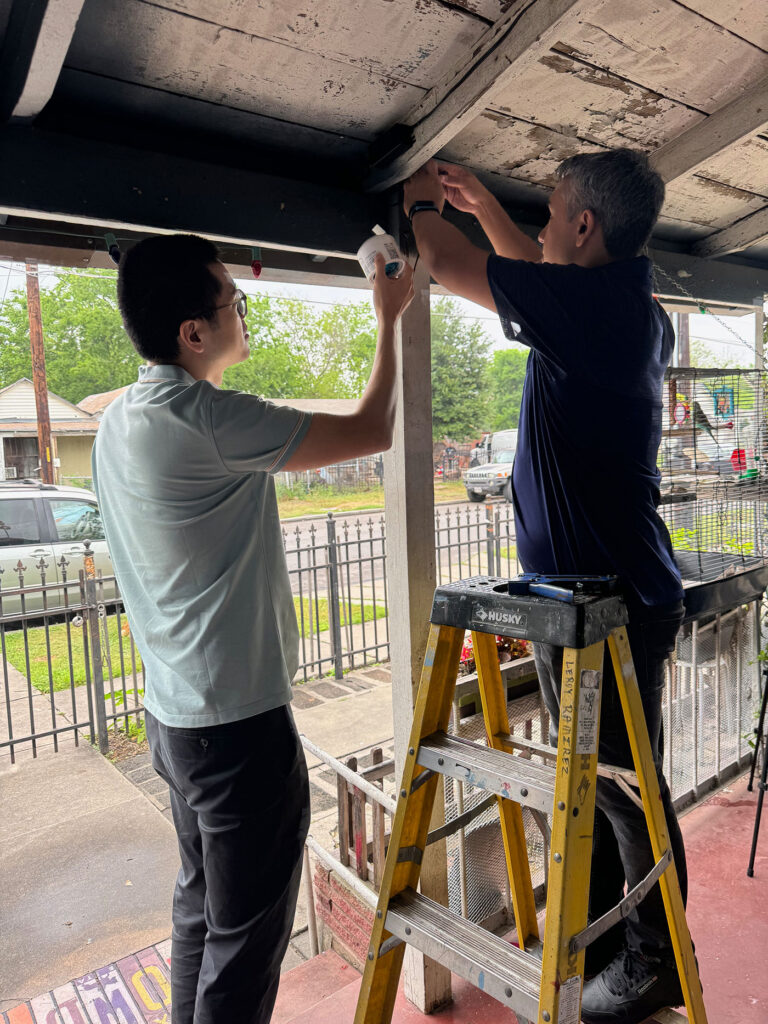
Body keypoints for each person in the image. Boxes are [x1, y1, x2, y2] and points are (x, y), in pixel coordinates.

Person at [91, 235, 413, 1024]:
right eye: (233, 299)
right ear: (192, 333)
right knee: (246, 946)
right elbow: (374, 428)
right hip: (237, 733)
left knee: (202, 913)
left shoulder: (121, 418)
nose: (243, 310)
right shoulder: (204, 419)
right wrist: (390, 319)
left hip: (175, 721)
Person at [402, 150, 689, 1024]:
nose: (542, 226)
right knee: (612, 788)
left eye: (553, 212)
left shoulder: (591, 311)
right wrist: (487, 203)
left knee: (626, 791)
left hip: (612, 604)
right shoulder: (624, 306)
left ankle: (653, 965)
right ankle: (611, 951)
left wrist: (417, 201)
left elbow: (448, 265)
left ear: (585, 228)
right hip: (603, 598)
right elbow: (530, 263)